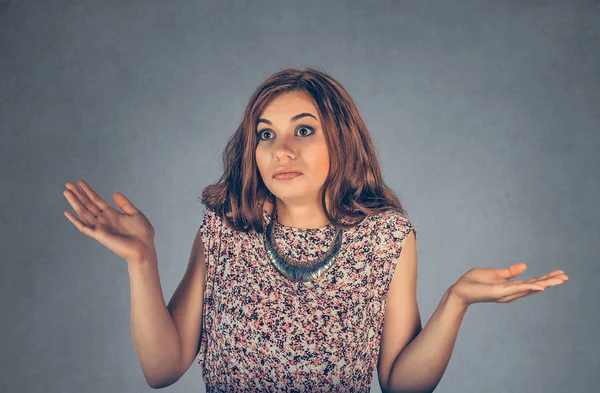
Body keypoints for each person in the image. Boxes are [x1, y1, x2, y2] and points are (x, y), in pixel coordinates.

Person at [63, 67, 568, 393]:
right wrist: (141, 261)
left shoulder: (388, 237)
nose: (281, 149)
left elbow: (400, 383)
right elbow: (162, 368)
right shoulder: (225, 230)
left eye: (303, 130)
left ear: (341, 141)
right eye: (266, 134)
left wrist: (455, 300)